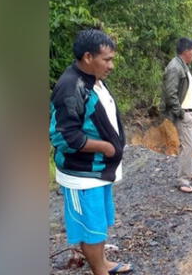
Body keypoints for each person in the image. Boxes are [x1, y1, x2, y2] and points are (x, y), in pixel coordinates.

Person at [49, 29, 132, 274]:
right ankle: (100, 271)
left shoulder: (92, 80)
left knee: (99, 223)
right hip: (82, 174)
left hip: (98, 171)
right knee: (90, 227)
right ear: (88, 57)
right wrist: (106, 147)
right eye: (107, 59)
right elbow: (63, 136)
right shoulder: (70, 87)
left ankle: (103, 262)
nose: (112, 65)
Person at [161, 37, 192, 193]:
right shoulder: (174, 68)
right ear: (186, 52)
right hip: (184, 114)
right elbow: (170, 94)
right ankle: (183, 180)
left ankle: (188, 173)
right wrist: (180, 113)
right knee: (187, 146)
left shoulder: (184, 65)